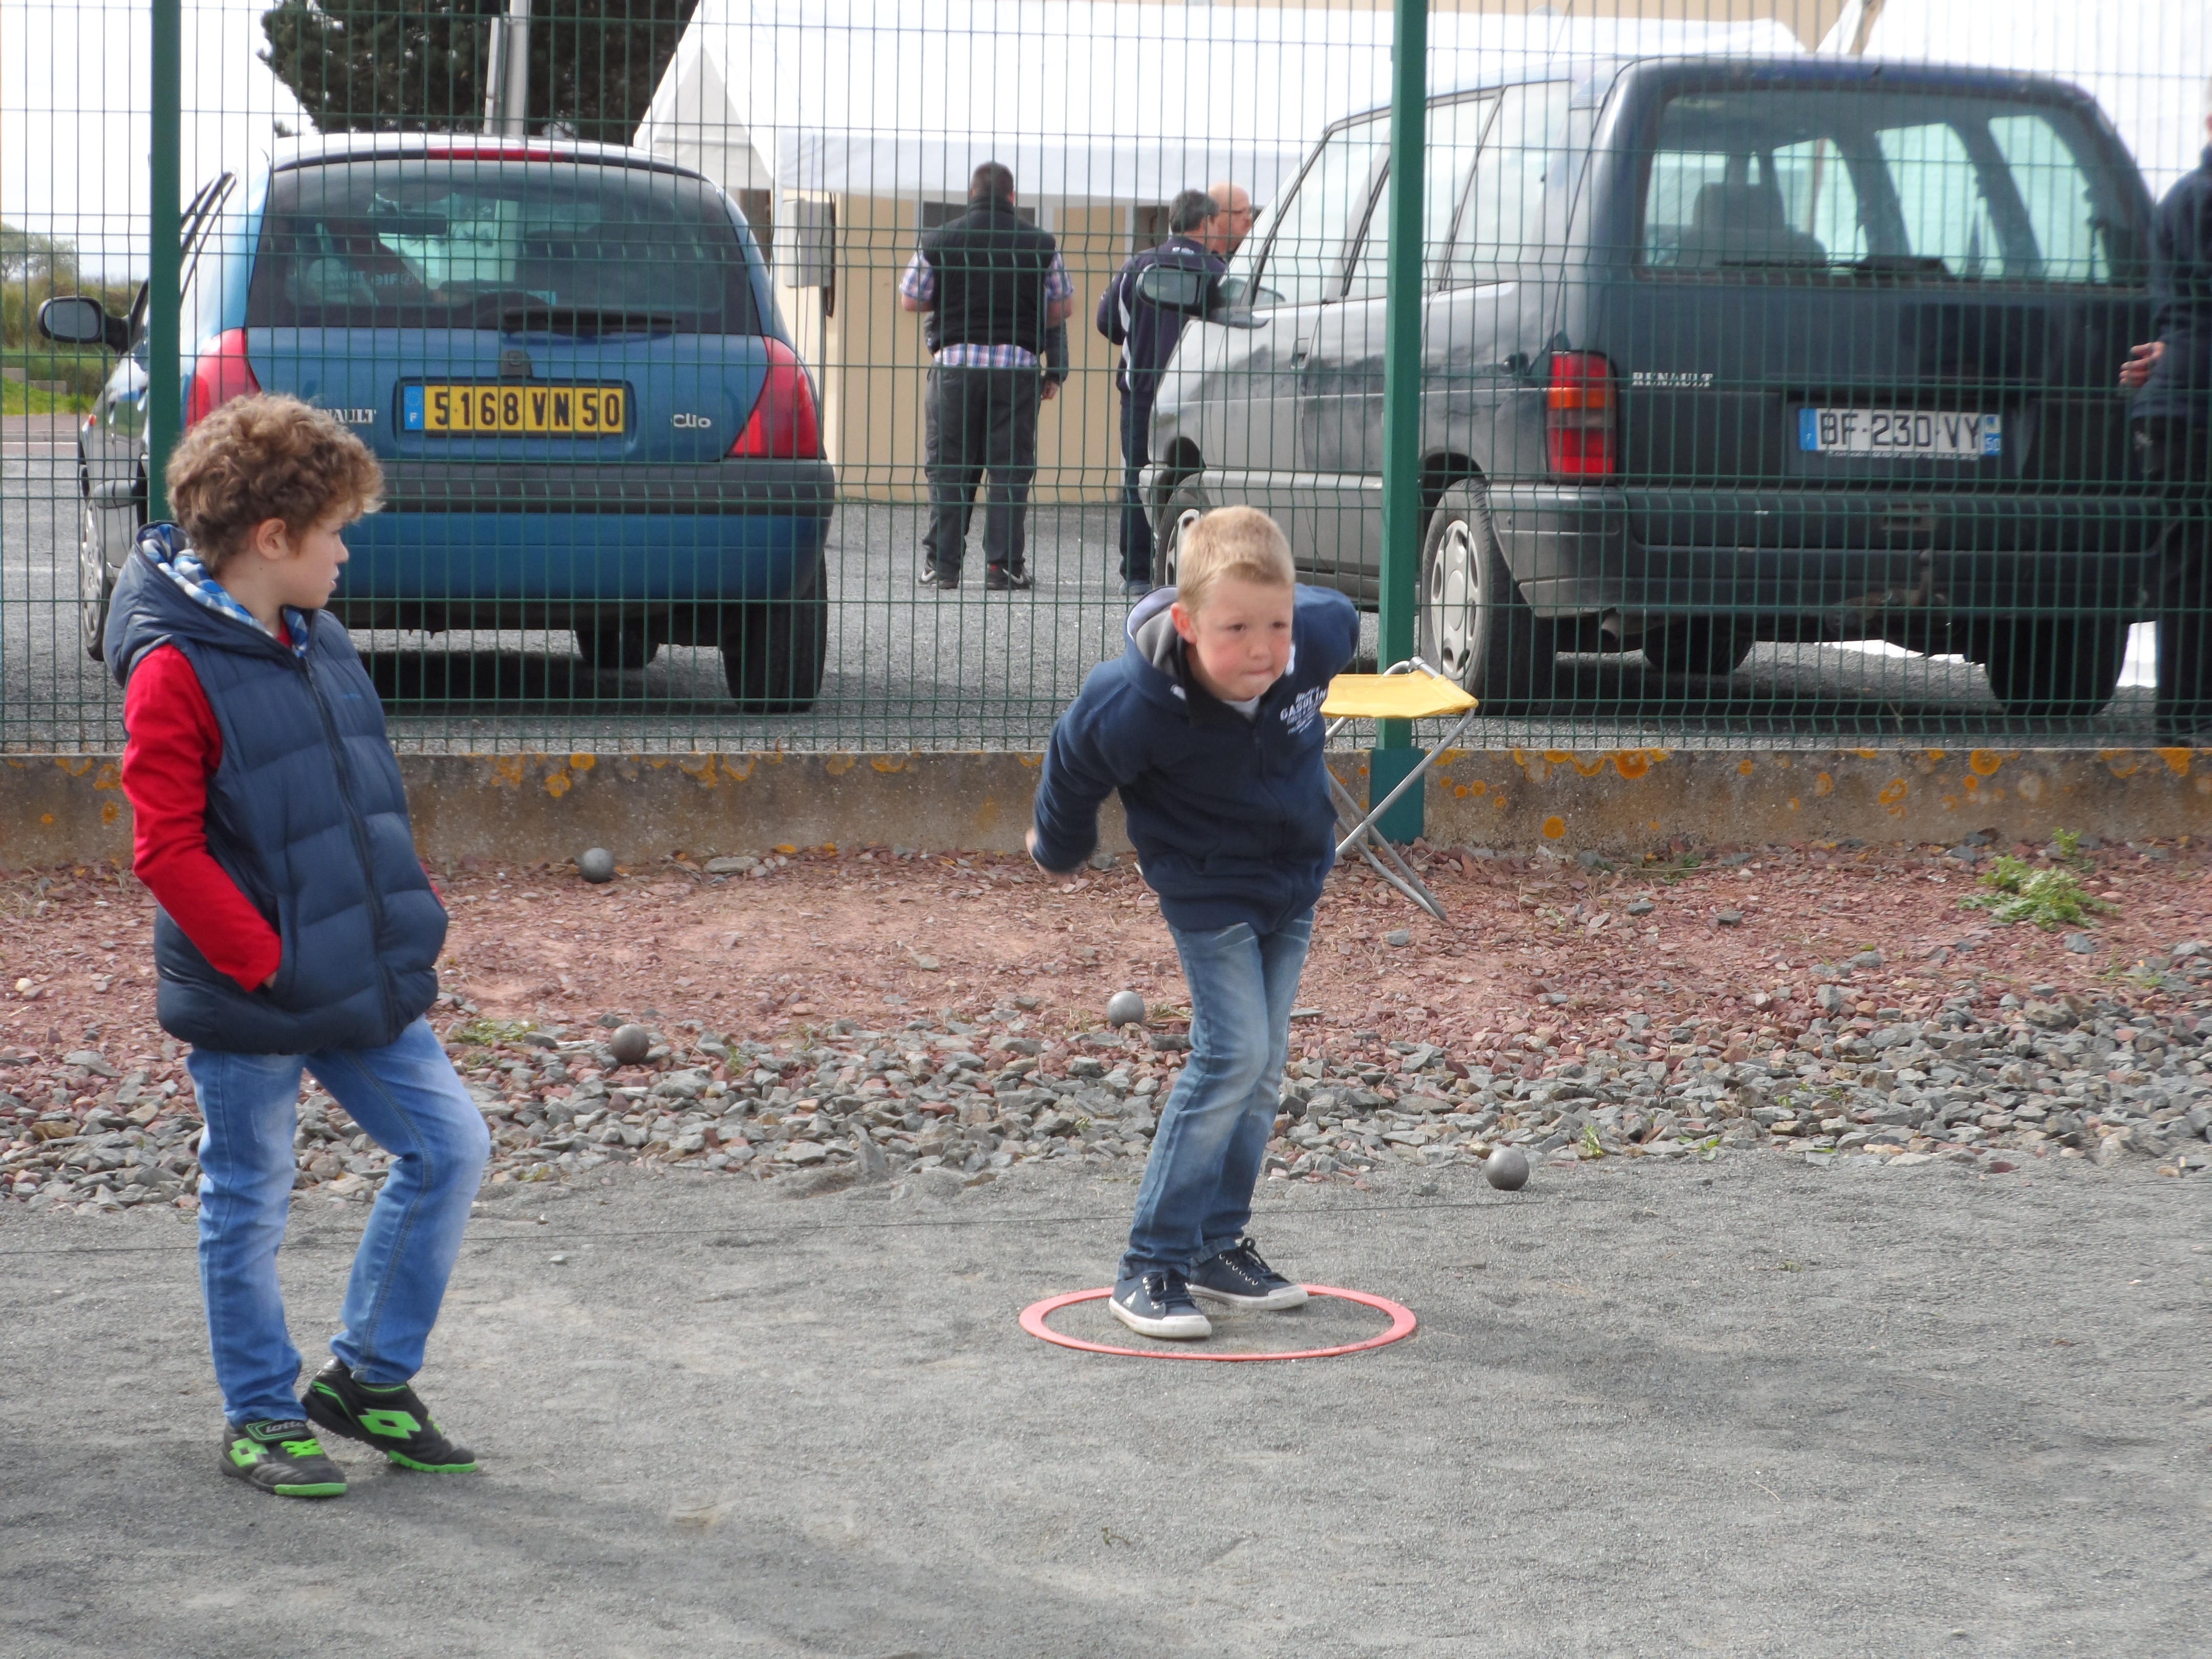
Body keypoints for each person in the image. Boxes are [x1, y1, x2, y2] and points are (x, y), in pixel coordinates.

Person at [110, 394, 488, 1499]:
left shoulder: (314, 632)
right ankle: (263, 1418)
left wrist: (392, 918)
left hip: (358, 969)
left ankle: (367, 1376)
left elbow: (357, 797)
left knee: (451, 1145)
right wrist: (266, 961)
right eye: (335, 530)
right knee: (251, 1193)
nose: (347, 550)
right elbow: (165, 847)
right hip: (253, 990)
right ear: (272, 541)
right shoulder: (172, 665)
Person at [1026, 506, 1358, 1339]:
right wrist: (1059, 850)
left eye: (1274, 624)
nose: (1261, 648)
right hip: (1207, 888)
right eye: (1235, 628)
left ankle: (1217, 1246)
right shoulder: (1134, 703)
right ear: (1185, 622)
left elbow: (1328, 614)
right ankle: (1150, 1264)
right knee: (1233, 1054)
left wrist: (1290, 624)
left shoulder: (1322, 633)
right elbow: (1071, 766)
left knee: (1266, 1066)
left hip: (1294, 878)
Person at [900, 161, 1074, 591]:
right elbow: (1061, 309)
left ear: (971, 194)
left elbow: (910, 299)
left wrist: (954, 292)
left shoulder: (940, 239)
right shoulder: (1041, 244)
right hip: (1016, 371)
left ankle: (943, 566)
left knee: (950, 467)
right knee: (1009, 469)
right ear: (1012, 197)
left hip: (955, 368)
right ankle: (1003, 567)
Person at [1096, 184, 1256, 599]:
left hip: (1141, 391)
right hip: (1197, 395)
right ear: (1205, 223)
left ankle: (1135, 573)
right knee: (1194, 479)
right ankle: (1195, 568)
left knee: (1138, 478)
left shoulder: (1137, 267)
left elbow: (1108, 324)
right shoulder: (1219, 274)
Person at [2120, 80, 2212, 740]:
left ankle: (2185, 719)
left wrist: (2173, 352)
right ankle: (2187, 719)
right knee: (2188, 569)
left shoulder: (2185, 198)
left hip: (2178, 395)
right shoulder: (2200, 197)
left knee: (2186, 568)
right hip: (2191, 401)